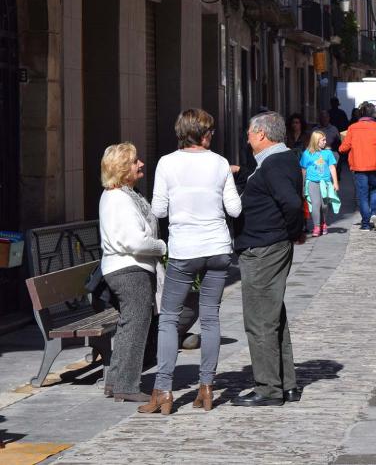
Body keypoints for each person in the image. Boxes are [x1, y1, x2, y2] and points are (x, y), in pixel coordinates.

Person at [139, 110, 241, 414]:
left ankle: (164, 391)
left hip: (184, 250)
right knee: (210, 317)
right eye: (210, 131)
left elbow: (158, 209)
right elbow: (234, 210)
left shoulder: (167, 163)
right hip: (218, 248)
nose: (213, 136)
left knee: (169, 318)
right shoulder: (220, 163)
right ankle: (206, 388)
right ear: (203, 133)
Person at [232, 112, 304, 406]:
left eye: (249, 132)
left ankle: (268, 388)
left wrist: (291, 231)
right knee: (274, 317)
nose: (247, 137)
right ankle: (286, 384)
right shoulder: (280, 160)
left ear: (262, 134)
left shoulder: (273, 164)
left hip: (263, 247)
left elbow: (290, 202)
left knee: (260, 320)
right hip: (271, 243)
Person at [98, 143, 167, 403]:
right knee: (136, 326)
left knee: (130, 326)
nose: (141, 165)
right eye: (135, 161)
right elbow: (135, 241)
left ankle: (115, 381)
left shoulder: (122, 195)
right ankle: (126, 385)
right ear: (122, 169)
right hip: (130, 269)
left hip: (127, 268)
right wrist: (161, 246)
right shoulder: (118, 198)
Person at [340, 102, 376, 231]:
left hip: (359, 165)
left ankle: (365, 224)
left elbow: (344, 148)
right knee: (375, 189)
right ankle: (374, 212)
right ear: (373, 113)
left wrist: (341, 147)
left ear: (361, 113)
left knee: (363, 195)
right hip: (375, 165)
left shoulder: (352, 128)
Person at [301, 130, 340, 236]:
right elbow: (303, 170)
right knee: (315, 204)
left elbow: (332, 167)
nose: (325, 141)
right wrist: (302, 185)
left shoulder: (328, 153)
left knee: (324, 205)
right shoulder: (307, 153)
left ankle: (323, 223)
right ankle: (316, 226)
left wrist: (335, 183)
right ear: (316, 141)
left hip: (325, 182)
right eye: (323, 140)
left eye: (325, 139)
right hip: (312, 182)